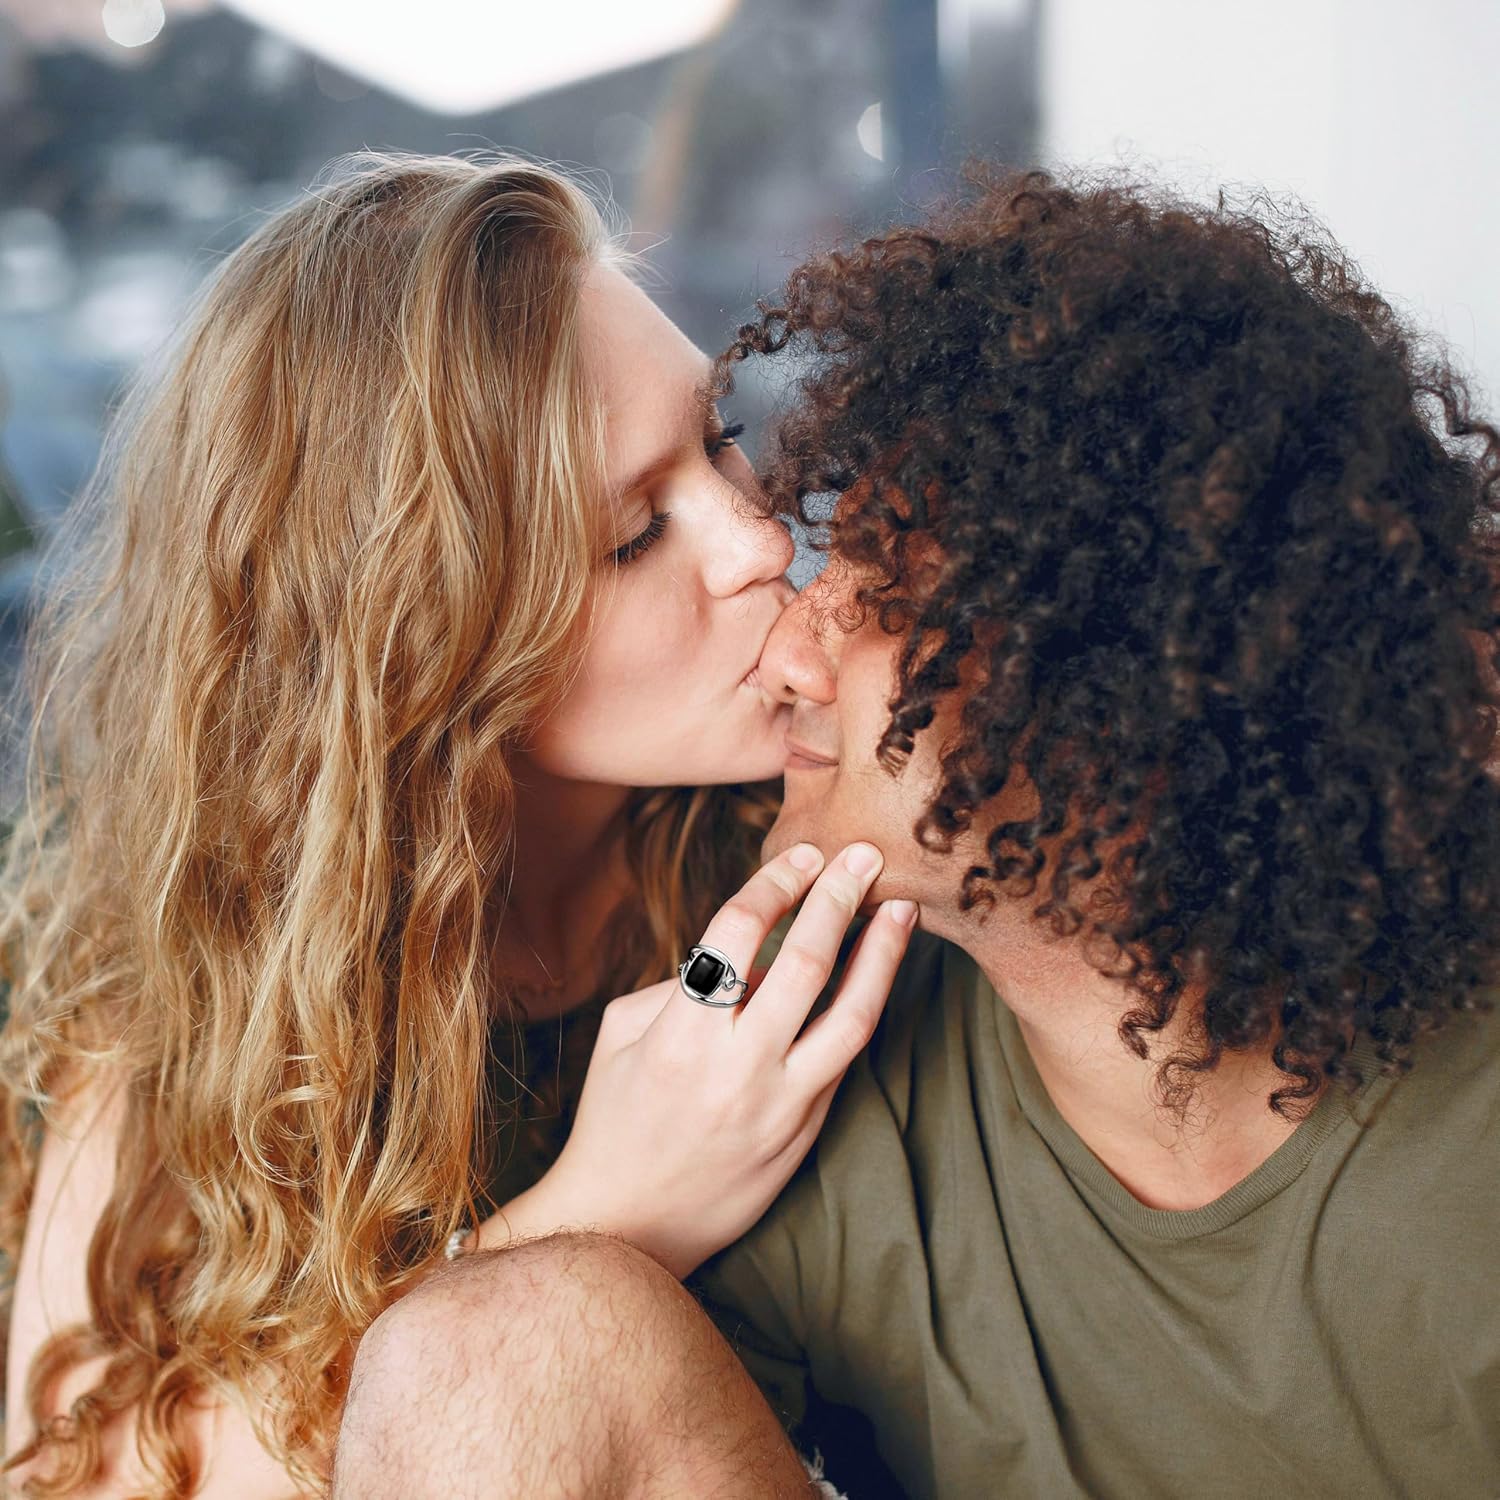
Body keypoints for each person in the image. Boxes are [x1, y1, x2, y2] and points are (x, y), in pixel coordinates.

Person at [344, 165, 1500, 1499]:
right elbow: (448, 1409)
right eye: (630, 538)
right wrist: (599, 1212)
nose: (787, 631)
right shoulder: (791, 1063)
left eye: (883, 589)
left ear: (1111, 693)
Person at [0, 150, 918, 1499]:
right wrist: (607, 1217)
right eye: (632, 537)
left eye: (720, 438)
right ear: (412, 653)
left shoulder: (805, 844)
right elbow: (80, 1471)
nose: (757, 543)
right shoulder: (202, 985)